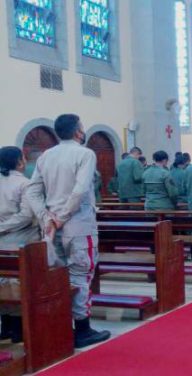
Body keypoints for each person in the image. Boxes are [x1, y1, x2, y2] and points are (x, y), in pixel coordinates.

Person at [26, 114, 110, 348]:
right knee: (81, 275)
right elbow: (81, 189)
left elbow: (32, 192)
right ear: (78, 132)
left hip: (52, 227)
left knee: (59, 275)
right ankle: (82, 330)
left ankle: (63, 325)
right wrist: (61, 217)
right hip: (78, 225)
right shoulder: (85, 153)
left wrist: (46, 217)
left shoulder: (46, 156)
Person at [0, 147, 39, 343]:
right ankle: (17, 328)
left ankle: (6, 325)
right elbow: (26, 215)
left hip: (2, 239)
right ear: (19, 161)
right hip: (19, 238)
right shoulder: (25, 183)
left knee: (3, 281)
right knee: (18, 283)